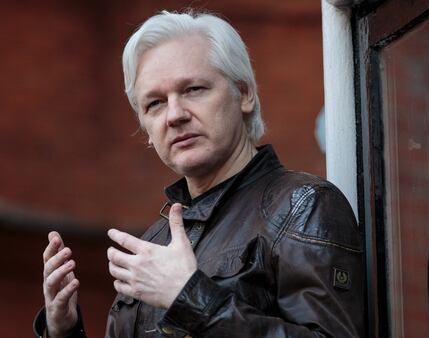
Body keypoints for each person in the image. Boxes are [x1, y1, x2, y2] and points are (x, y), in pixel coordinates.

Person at [35, 10, 364, 337]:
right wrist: (63, 330)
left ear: (244, 93)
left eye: (193, 89)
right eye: (155, 103)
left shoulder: (303, 207)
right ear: (147, 130)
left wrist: (189, 297)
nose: (174, 115)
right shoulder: (153, 244)